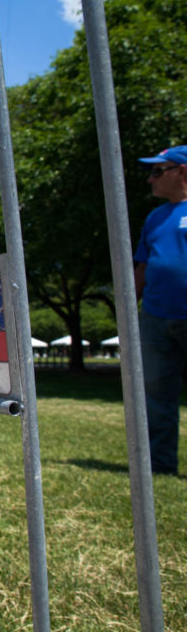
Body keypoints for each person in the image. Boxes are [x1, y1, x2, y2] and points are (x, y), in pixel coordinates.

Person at [134, 145, 187, 475]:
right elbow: (142, 267)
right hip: (155, 316)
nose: (150, 179)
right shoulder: (155, 217)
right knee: (155, 394)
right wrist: (128, 309)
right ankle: (160, 465)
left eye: (157, 171)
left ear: (181, 171)